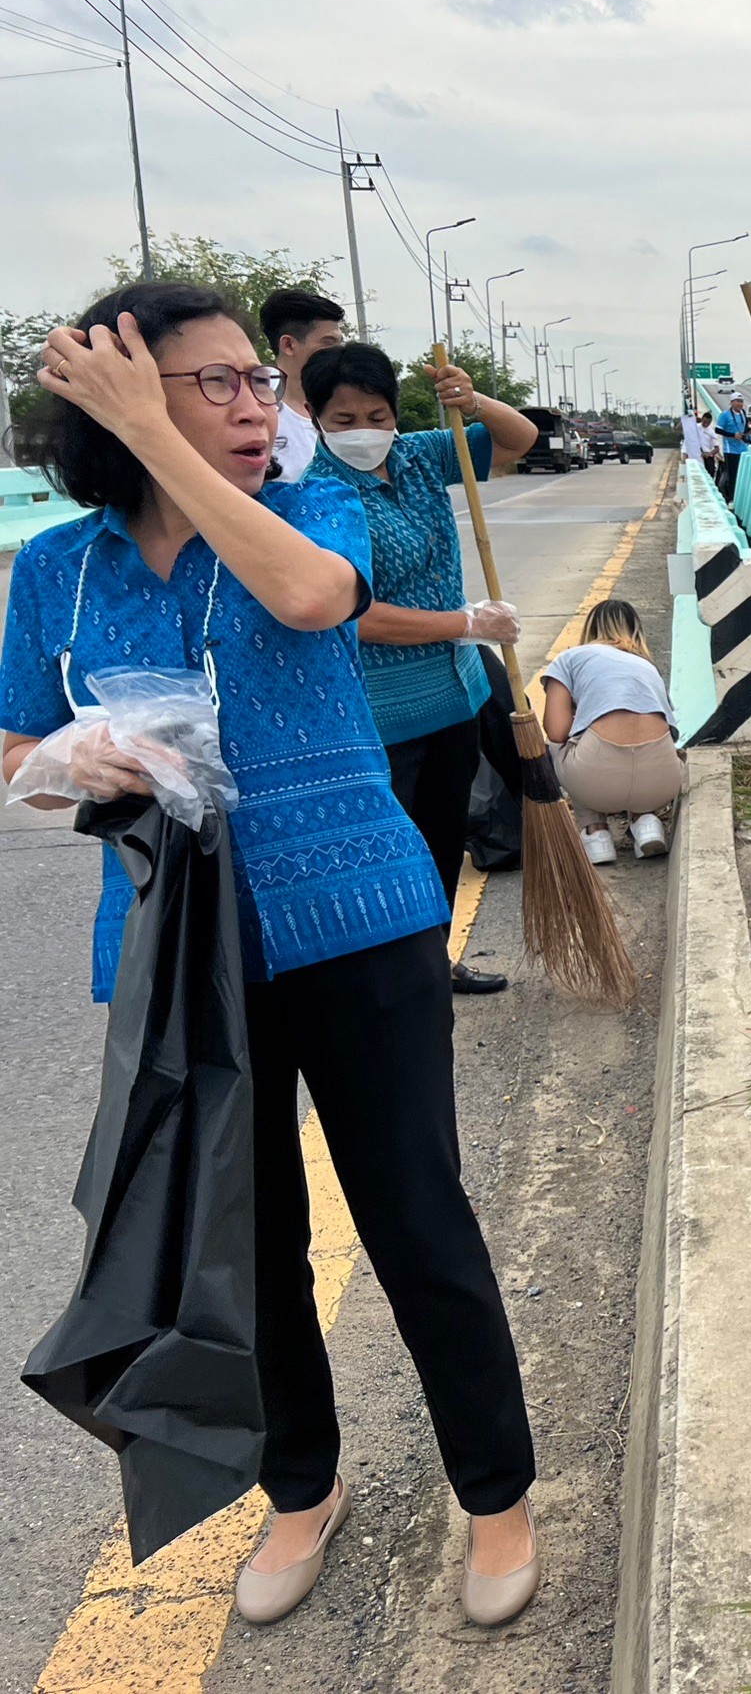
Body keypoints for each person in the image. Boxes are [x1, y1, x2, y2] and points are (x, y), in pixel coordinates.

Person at [2, 282, 539, 1627]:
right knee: (248, 1240)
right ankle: (301, 1487)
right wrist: (65, 760)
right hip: (177, 948)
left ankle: (499, 1493)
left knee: (418, 1218)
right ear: (118, 400)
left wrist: (167, 438)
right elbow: (9, 746)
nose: (258, 407)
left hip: (358, 919)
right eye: (215, 384)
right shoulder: (55, 570)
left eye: (260, 382)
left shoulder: (308, 514)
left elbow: (310, 599)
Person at [301, 341, 540, 996]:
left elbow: (518, 438)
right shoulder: (317, 495)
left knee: (440, 845)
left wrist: (473, 399)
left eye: (376, 414)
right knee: (388, 857)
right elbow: (352, 614)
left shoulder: (417, 455)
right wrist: (466, 623)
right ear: (316, 417)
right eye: (344, 420)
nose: (364, 432)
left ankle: (435, 965)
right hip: (383, 712)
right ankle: (389, 982)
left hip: (453, 696)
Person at [541, 597, 685, 862]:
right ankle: (647, 822)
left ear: (590, 630)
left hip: (596, 781)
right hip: (661, 783)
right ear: (636, 632)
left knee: (557, 746)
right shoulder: (647, 666)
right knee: (648, 744)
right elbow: (669, 730)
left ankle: (595, 832)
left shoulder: (570, 658)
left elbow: (556, 732)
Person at [255, 287, 344, 481]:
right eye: (328, 343)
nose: (339, 353)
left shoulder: (359, 405)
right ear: (288, 345)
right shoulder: (255, 414)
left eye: (340, 343)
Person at [713, 392, 750, 502]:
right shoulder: (725, 415)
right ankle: (730, 498)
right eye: (737, 401)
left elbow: (746, 427)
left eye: (741, 401)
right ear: (731, 402)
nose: (740, 404)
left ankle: (739, 497)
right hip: (730, 450)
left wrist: (746, 434)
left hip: (743, 449)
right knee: (732, 475)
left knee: (742, 475)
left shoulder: (743, 413)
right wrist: (733, 435)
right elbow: (718, 430)